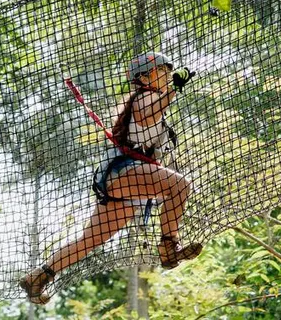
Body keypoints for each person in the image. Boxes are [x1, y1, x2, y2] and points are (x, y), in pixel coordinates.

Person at [18, 52, 202, 304]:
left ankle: (39, 276)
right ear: (145, 76)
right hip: (124, 173)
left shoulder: (152, 98)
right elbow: (150, 111)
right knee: (180, 185)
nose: (167, 74)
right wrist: (175, 88)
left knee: (90, 240)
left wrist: (171, 89)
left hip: (127, 185)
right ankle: (169, 246)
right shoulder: (144, 98)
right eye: (163, 70)